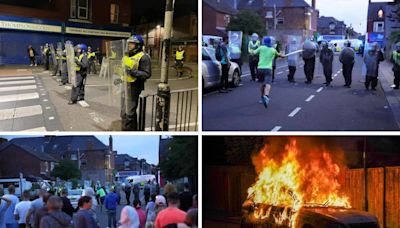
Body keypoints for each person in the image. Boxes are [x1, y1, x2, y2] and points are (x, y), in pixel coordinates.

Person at [118, 35, 152, 131]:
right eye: (129, 43)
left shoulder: (144, 57)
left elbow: (147, 74)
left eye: (132, 44)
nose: (129, 45)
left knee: (129, 111)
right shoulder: (126, 56)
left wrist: (133, 72)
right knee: (124, 110)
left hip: (134, 87)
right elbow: (121, 70)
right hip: (124, 85)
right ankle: (132, 128)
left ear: (138, 46)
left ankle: (127, 130)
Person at [250, 36, 284, 109]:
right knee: (268, 83)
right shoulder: (273, 50)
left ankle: (262, 97)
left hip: (260, 68)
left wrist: (251, 51)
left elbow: (253, 53)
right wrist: (282, 55)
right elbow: (280, 55)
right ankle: (266, 96)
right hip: (268, 69)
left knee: (262, 84)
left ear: (264, 42)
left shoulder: (261, 48)